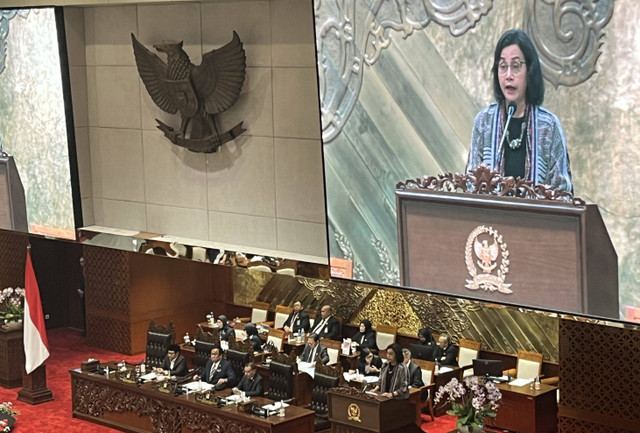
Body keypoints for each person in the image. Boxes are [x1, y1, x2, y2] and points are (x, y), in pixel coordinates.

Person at [466, 29, 572, 193]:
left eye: (515, 66)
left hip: (536, 219)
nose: (508, 75)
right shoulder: (484, 122)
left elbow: (563, 193)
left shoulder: (548, 127)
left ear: (530, 70)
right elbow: (470, 184)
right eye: (503, 67)